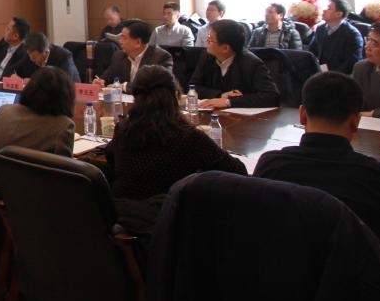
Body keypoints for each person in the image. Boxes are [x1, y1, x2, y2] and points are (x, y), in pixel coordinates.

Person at [254, 71, 380, 297]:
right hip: (359, 288)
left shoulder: (272, 165)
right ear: (355, 121)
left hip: (286, 282)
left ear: (302, 115)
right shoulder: (376, 174)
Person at [104, 65, 246, 200]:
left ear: (135, 96)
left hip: (121, 212)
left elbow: (110, 156)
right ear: (176, 95)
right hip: (169, 214)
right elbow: (238, 171)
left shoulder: (123, 129)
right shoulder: (188, 137)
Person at [0, 66, 75, 176]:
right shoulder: (64, 125)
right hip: (25, 184)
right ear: (66, 96)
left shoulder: (5, 110)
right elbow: (65, 173)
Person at [191, 19, 280, 109]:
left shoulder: (252, 63)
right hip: (215, 112)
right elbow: (193, 87)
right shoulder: (207, 56)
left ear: (225, 48)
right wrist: (220, 95)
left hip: (243, 115)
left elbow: (272, 97)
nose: (207, 42)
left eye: (210, 40)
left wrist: (228, 101)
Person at [95, 19, 173, 86]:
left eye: (124, 38)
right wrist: (101, 82)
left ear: (138, 42)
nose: (120, 41)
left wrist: (125, 86)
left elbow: (157, 86)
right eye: (120, 37)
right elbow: (107, 78)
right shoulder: (119, 56)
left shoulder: (161, 57)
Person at [308, 0, 364, 74]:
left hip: (341, 76)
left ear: (338, 14)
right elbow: (312, 51)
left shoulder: (352, 34)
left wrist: (331, 75)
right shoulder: (321, 29)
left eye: (329, 8)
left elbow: (352, 63)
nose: (324, 10)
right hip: (322, 72)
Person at [12, 32, 80, 82]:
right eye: (29, 55)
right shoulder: (30, 55)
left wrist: (34, 82)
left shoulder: (64, 56)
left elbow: (63, 82)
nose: (31, 59)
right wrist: (13, 76)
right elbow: (12, 69)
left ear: (46, 52)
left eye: (34, 57)